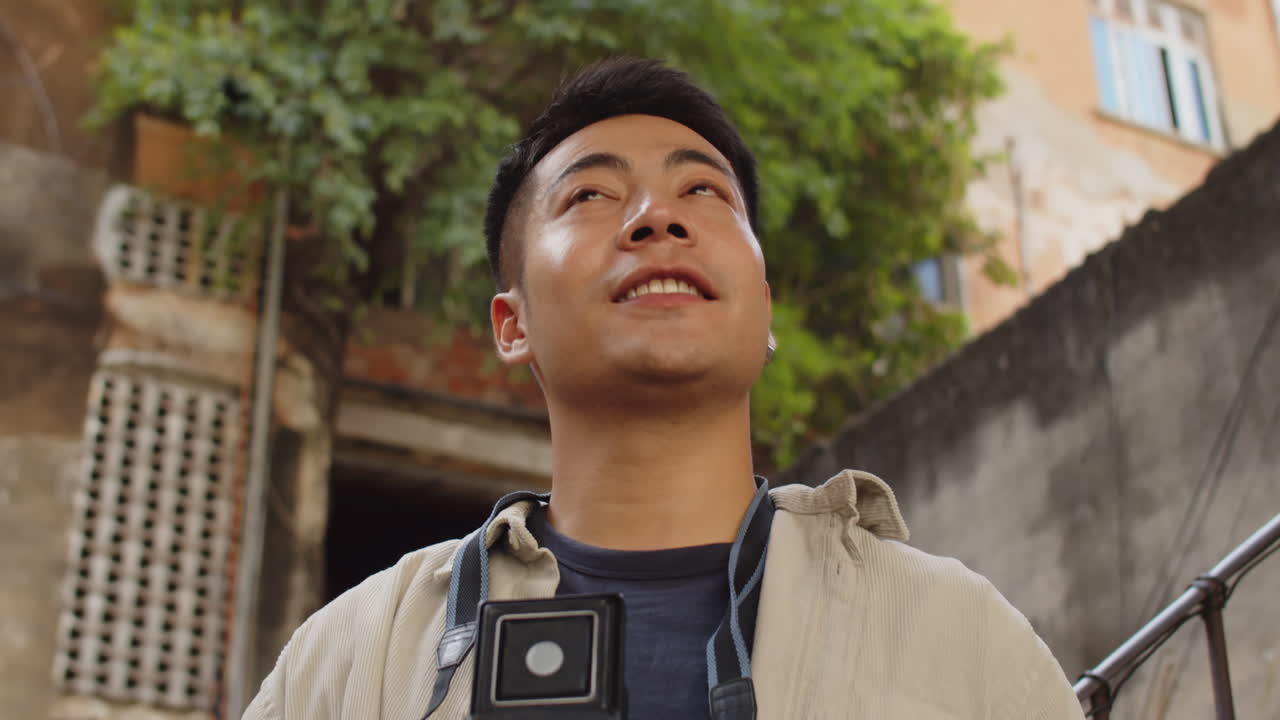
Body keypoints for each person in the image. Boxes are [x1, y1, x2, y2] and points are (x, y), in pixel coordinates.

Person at [243, 57, 1085, 720]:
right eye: (592, 195)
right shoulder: (356, 653)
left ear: (765, 311)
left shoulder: (960, 636)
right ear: (513, 323)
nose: (658, 216)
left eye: (704, 192)